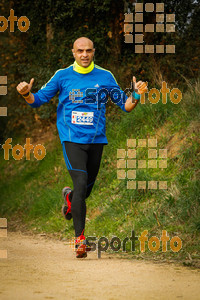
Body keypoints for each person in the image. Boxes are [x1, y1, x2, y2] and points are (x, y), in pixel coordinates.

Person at [16, 37, 147, 258]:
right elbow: (38, 100)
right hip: (71, 139)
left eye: (88, 51)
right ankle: (80, 240)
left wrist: (135, 95)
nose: (84, 54)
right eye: (80, 51)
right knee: (80, 180)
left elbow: (125, 106)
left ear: (93, 52)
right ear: (73, 53)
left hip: (96, 141)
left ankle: (69, 200)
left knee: (84, 191)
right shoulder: (62, 76)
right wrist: (26, 93)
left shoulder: (105, 76)